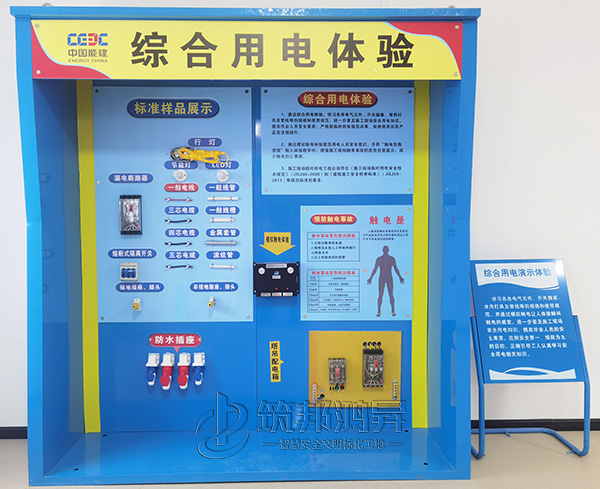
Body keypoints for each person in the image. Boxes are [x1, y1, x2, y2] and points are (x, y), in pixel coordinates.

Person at [366, 245, 404, 317]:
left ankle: (393, 311)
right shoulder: (379, 259)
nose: (385, 250)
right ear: (383, 250)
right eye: (385, 249)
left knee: (391, 295)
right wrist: (370, 278)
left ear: (388, 250)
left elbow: (396, 269)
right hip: (382, 279)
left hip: (389, 278)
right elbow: (375, 269)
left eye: (386, 249)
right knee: (380, 295)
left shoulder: (391, 259)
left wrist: (400, 277)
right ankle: (379, 312)